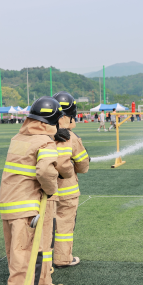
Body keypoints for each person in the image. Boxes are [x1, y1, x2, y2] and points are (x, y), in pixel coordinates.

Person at [0, 96, 65, 285]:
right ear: (53, 121)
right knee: (25, 257)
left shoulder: (18, 138)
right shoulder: (45, 143)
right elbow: (45, 172)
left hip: (9, 204)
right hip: (27, 207)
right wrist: (51, 190)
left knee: (30, 250)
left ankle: (43, 283)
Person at [52, 91, 90, 269]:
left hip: (42, 190)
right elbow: (83, 166)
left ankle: (41, 259)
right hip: (66, 192)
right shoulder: (71, 138)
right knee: (64, 225)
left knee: (43, 225)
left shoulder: (42, 135)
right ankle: (61, 259)